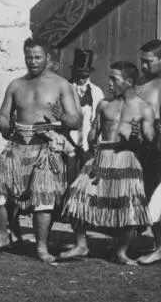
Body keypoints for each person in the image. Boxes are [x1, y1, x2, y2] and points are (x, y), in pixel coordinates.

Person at [0, 37, 82, 263]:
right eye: (29, 57)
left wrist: (63, 117)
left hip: (46, 145)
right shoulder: (16, 84)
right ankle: (2, 236)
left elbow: (76, 120)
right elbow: (3, 114)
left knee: (43, 198)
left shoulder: (61, 85)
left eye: (38, 57)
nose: (33, 62)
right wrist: (3, 123)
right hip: (17, 144)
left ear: (47, 57)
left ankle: (41, 246)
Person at [61, 61, 154, 264]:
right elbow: (93, 135)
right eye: (109, 78)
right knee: (78, 198)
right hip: (101, 157)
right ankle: (81, 245)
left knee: (129, 207)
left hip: (126, 160)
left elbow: (149, 139)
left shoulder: (143, 108)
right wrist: (93, 147)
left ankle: (121, 252)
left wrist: (137, 138)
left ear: (129, 82)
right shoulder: (104, 104)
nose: (109, 83)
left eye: (114, 79)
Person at [134, 39, 161, 264]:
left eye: (148, 62)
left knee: (156, 199)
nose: (143, 66)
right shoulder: (141, 82)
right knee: (144, 194)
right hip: (143, 148)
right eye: (141, 61)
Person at [67, 49, 104, 179]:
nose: (81, 79)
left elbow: (98, 121)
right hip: (68, 144)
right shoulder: (64, 88)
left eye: (85, 76)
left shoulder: (96, 92)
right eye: (78, 75)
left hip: (87, 146)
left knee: (85, 181)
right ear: (72, 71)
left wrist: (95, 146)